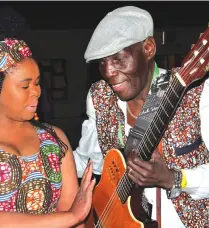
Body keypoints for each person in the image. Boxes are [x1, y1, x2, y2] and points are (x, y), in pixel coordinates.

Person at [73, 5, 209, 228]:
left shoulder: (196, 93)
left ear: (148, 48)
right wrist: (46, 150)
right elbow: (92, 161)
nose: (108, 73)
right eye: (102, 63)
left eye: (118, 59)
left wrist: (174, 178)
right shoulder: (99, 97)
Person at [0, 7, 95, 228]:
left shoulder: (54, 139)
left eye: (38, 83)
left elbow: (75, 214)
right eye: (25, 85)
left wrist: (75, 217)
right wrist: (71, 217)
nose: (36, 92)